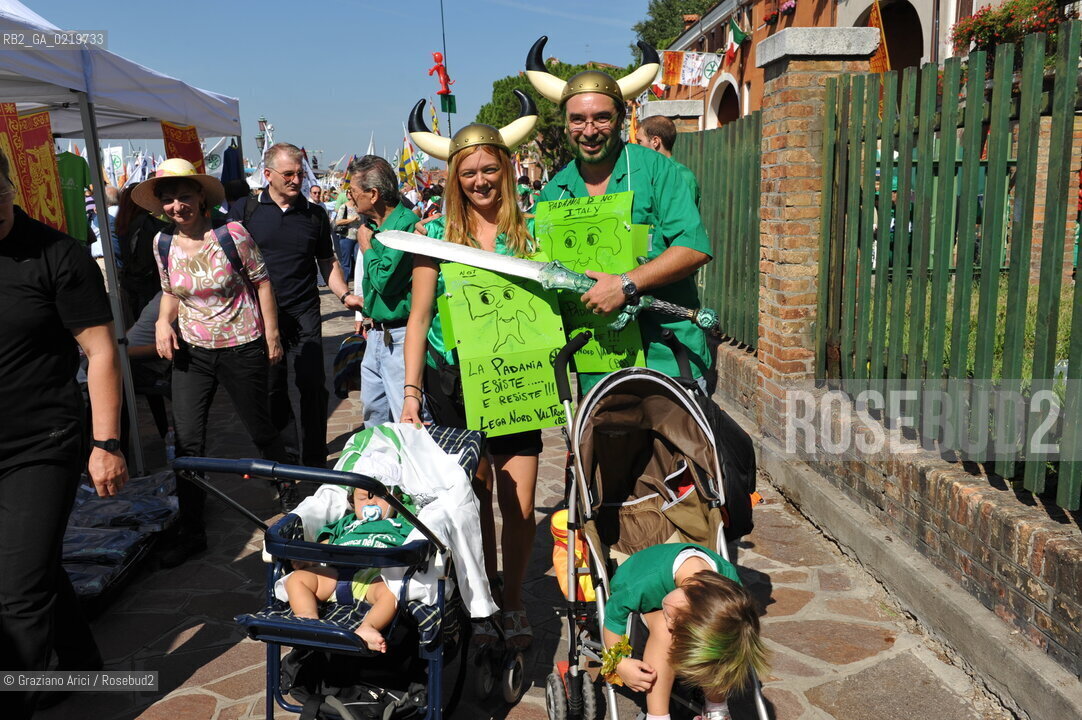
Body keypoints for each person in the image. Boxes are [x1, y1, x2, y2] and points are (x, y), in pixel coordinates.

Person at [403, 92, 541, 647]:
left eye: (489, 169)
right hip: (452, 382)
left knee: (520, 504)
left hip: (517, 378)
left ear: (505, 168)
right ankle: (484, 596)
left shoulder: (532, 231)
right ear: (454, 180)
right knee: (474, 497)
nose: (480, 181)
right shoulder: (433, 235)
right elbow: (418, 319)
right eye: (469, 173)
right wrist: (410, 393)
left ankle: (515, 600)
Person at [0, 147, 127, 720]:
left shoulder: (57, 254)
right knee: (34, 565)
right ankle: (82, 664)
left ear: (9, 187)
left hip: (41, 442)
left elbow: (100, 352)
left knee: (17, 593)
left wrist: (106, 444)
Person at [526, 37, 714, 395]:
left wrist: (626, 284)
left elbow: (694, 248)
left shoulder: (657, 170)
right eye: (577, 120)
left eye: (601, 118)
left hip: (669, 358)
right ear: (565, 124)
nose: (589, 131)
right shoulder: (554, 192)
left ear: (621, 119)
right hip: (596, 363)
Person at [134, 158, 293, 566]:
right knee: (187, 441)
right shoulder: (162, 242)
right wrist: (163, 324)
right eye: (169, 199)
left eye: (184, 196)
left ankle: (291, 497)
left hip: (242, 345)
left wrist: (272, 335)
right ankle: (192, 528)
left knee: (260, 428)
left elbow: (262, 282)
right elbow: (171, 291)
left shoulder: (231, 234)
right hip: (193, 353)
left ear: (201, 197)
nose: (177, 206)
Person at [228, 143, 362, 468]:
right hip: (262, 317)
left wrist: (344, 295)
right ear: (268, 174)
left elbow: (327, 260)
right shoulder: (245, 211)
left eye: (300, 173)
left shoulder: (314, 214)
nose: (296, 180)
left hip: (304, 312)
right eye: (288, 174)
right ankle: (286, 461)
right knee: (273, 389)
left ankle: (315, 460)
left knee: (313, 386)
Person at [600, 543, 767, 720]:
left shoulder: (729, 586)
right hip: (640, 605)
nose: (672, 624)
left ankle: (716, 705)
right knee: (666, 629)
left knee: (726, 635)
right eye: (677, 619)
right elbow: (612, 623)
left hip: (673, 600)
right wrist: (620, 663)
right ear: (693, 591)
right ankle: (657, 716)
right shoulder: (639, 585)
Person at [284, 486, 414, 653]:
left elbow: (413, 544)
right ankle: (307, 616)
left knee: (392, 592)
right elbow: (326, 544)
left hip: (373, 576)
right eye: (362, 498)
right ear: (352, 501)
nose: (371, 503)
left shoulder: (401, 525)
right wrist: (309, 558)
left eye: (379, 497)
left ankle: (368, 627)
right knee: (297, 578)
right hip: (337, 573)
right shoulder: (346, 523)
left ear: (395, 500)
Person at [348, 155, 417, 427]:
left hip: (400, 337)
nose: (351, 198)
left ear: (373, 194)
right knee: (373, 412)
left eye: (353, 192)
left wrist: (366, 247)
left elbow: (385, 281)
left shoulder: (404, 224)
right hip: (376, 333)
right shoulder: (372, 226)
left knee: (405, 418)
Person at [636, 115, 701, 208]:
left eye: (639, 142)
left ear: (655, 142)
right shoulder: (644, 174)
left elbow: (685, 215)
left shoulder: (682, 177)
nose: (636, 147)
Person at [334, 194, 363, 281]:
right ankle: (344, 283)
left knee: (358, 260)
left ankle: (358, 283)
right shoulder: (344, 207)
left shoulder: (360, 207)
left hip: (358, 238)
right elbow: (338, 222)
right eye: (352, 193)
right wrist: (351, 220)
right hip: (347, 237)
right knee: (346, 262)